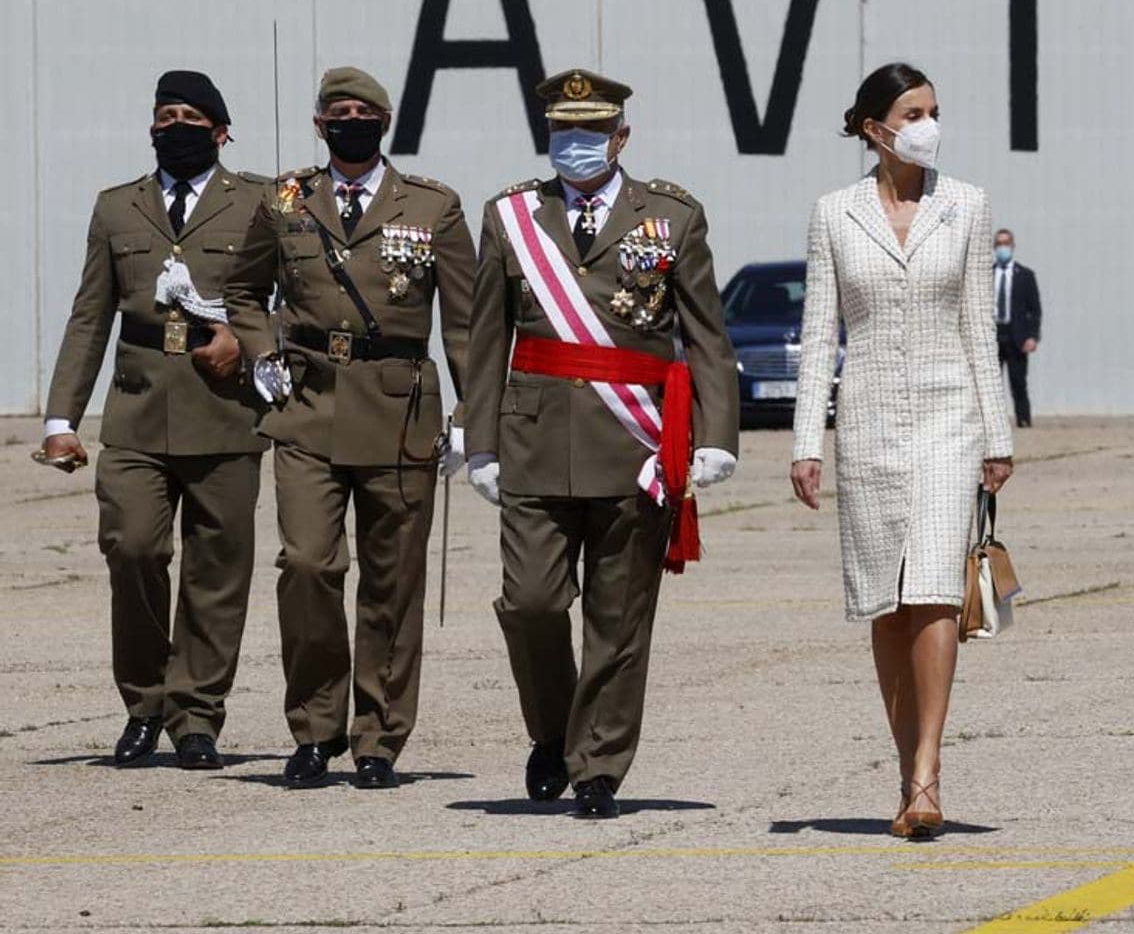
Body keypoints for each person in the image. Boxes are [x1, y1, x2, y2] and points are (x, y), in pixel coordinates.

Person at [463, 68, 740, 819]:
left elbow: (706, 338)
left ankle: (598, 767)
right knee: (530, 604)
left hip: (634, 445)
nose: (575, 145)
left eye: (590, 132)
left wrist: (716, 435)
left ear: (621, 136)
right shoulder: (511, 215)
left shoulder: (672, 218)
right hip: (532, 440)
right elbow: (485, 336)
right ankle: (552, 732)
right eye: (563, 132)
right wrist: (476, 438)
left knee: (619, 619)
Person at [223, 67, 475, 790]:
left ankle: (378, 738)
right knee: (307, 564)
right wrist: (260, 350)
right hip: (307, 402)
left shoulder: (432, 206)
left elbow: (463, 321)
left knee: (392, 581)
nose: (351, 121)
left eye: (364, 112)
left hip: (399, 409)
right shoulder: (285, 199)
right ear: (319, 122)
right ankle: (313, 727)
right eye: (339, 111)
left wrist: (470, 415)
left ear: (385, 123)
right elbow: (242, 289)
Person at [790, 62, 1015, 839]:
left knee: (935, 591)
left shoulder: (968, 204)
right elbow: (821, 332)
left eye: (935, 111)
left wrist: (998, 434)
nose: (927, 125)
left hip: (951, 418)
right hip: (870, 422)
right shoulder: (833, 213)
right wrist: (804, 443)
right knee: (886, 603)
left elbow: (979, 327)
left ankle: (928, 770)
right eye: (912, 112)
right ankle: (903, 768)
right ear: (872, 128)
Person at [39, 71, 267, 770]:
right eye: (164, 114)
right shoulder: (117, 208)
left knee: (217, 571)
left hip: (226, 414)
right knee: (133, 548)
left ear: (221, 131)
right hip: (137, 414)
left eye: (191, 117)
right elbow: (90, 318)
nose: (175, 126)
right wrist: (60, 418)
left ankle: (196, 714)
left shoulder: (258, 202)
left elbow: (298, 298)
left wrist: (253, 343)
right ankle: (144, 703)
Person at [993, 228, 1041, 428]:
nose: (1002, 248)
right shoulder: (987, 274)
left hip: (1017, 335)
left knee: (1018, 381)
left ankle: (1023, 418)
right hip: (993, 334)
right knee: (991, 385)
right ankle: (993, 423)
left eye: (1006, 243)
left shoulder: (1025, 275)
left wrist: (1032, 336)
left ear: (1012, 246)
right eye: (999, 244)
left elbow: (1035, 309)